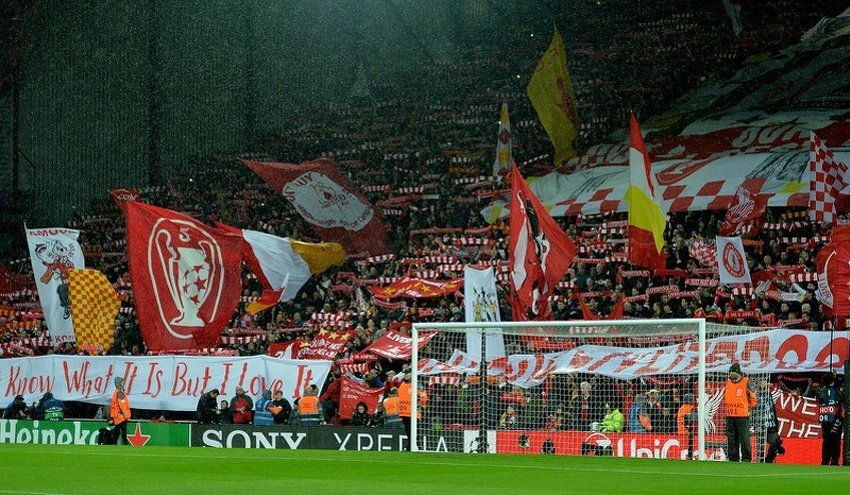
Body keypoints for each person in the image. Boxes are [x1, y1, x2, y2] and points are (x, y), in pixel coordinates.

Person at [724, 363, 757, 462]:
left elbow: (753, 398)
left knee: (744, 438)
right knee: (731, 438)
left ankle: (746, 459)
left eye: (732, 372)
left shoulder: (746, 382)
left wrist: (749, 409)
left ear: (737, 372)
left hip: (742, 416)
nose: (730, 374)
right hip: (730, 415)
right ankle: (733, 458)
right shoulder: (728, 382)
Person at [817, 373, 844, 466]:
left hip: (825, 420)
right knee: (835, 442)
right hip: (836, 420)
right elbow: (842, 403)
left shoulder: (821, 391)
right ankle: (834, 462)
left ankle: (824, 461)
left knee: (826, 442)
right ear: (832, 380)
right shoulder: (837, 391)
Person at [755, 380, 784, 463]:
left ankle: (769, 461)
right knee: (761, 446)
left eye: (765, 381)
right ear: (758, 384)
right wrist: (756, 425)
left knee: (776, 442)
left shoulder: (769, 394)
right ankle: (760, 462)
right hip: (761, 424)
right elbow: (754, 411)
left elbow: (773, 408)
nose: (763, 383)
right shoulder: (756, 395)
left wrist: (776, 421)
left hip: (771, 423)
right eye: (761, 381)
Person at [398, 372, 428, 451]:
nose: (406, 376)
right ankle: (411, 446)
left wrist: (422, 405)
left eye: (408, 374)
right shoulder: (402, 384)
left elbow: (423, 397)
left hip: (414, 412)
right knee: (408, 431)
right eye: (405, 374)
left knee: (414, 431)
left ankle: (413, 446)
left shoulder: (417, 384)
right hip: (404, 412)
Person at [110, 377, 131, 445]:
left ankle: (113, 443)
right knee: (122, 431)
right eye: (122, 382)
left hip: (117, 415)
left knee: (117, 431)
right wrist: (127, 416)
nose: (123, 383)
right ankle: (124, 444)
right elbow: (123, 406)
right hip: (121, 416)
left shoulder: (116, 391)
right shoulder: (120, 393)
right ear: (119, 383)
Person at [677, 393, 697, 460]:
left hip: (680, 432)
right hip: (688, 434)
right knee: (689, 452)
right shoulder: (690, 408)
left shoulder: (681, 408)